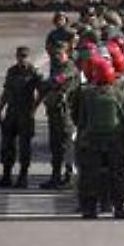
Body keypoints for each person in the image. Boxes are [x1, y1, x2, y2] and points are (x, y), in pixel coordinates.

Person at [75, 58, 124, 219]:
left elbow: (79, 116)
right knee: (117, 174)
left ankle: (90, 209)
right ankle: (119, 208)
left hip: (92, 140)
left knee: (90, 175)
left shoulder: (86, 93)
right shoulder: (119, 93)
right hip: (115, 140)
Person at [0, 46, 44, 189]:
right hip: (11, 113)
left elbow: (42, 92)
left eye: (25, 56)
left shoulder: (34, 72)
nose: (22, 58)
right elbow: (6, 92)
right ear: (16, 56)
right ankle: (6, 176)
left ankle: (23, 177)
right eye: (20, 56)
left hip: (25, 114)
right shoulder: (11, 71)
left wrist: (34, 108)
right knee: (7, 145)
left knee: (24, 147)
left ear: (28, 57)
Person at [39, 46, 78, 189]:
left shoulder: (69, 67)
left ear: (66, 54)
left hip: (65, 114)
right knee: (55, 146)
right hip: (54, 112)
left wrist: (47, 83)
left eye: (60, 54)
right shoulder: (57, 67)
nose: (57, 57)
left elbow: (58, 80)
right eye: (55, 54)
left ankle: (69, 178)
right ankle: (55, 176)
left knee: (67, 145)